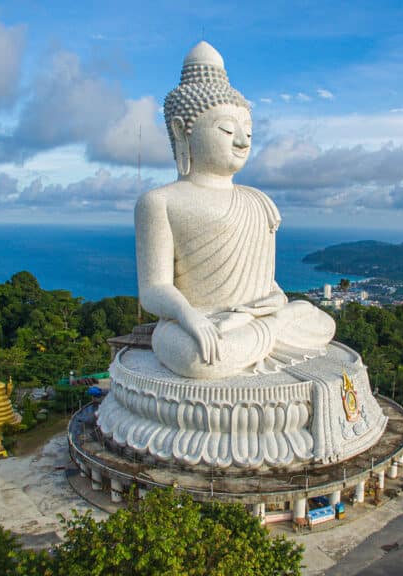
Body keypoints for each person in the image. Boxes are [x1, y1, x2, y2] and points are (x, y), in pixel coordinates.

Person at [135, 42, 335, 379]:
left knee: (322, 321)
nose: (243, 141)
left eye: (248, 132)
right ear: (181, 130)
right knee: (197, 357)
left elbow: (268, 286)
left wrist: (259, 312)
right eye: (227, 130)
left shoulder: (258, 201)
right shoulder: (159, 201)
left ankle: (268, 330)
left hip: (248, 320)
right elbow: (154, 290)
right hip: (193, 324)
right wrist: (190, 317)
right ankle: (267, 334)